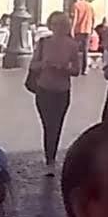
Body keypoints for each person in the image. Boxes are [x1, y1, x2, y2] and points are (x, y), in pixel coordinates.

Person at [26, 11, 82, 168]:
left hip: (62, 91)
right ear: (50, 25)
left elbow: (77, 70)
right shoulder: (44, 43)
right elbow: (33, 65)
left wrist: (64, 68)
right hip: (44, 89)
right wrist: (44, 64)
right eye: (55, 24)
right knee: (48, 124)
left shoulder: (72, 45)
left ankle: (51, 156)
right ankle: (49, 156)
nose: (58, 27)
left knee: (57, 125)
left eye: (62, 24)